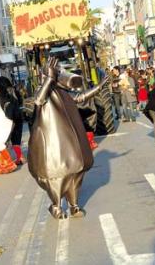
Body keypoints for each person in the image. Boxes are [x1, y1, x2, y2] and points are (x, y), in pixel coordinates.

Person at [28, 58, 93, 219]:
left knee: (76, 171)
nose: (58, 74)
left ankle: (73, 205)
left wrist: (98, 88)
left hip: (69, 140)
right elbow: (38, 100)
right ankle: (56, 205)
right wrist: (49, 79)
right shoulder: (43, 91)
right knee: (56, 175)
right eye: (55, 71)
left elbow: (79, 98)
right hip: (52, 144)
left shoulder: (61, 91)